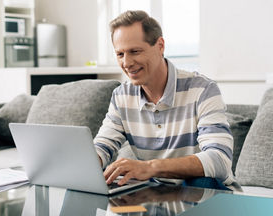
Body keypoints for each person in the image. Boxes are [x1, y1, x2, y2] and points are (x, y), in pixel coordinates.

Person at [94, 10, 238, 190]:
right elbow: (102, 146)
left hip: (204, 192)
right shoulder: (121, 96)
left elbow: (220, 160)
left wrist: (150, 168)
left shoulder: (203, 90)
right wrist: (87, 163)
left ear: (160, 46)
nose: (127, 63)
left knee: (202, 182)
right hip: (153, 195)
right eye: (120, 54)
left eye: (135, 51)